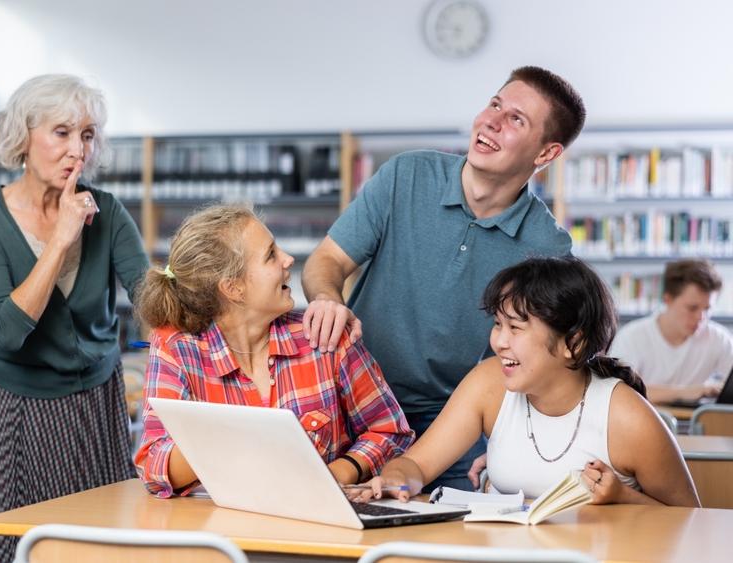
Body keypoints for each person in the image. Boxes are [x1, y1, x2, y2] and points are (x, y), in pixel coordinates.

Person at [301, 66, 581, 490]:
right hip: (352, 398)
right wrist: (327, 298)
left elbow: (553, 362)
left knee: (443, 547)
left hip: (454, 424)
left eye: (516, 120)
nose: (491, 121)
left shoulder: (550, 250)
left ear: (545, 154)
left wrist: (518, 436)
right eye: (494, 104)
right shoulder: (406, 176)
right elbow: (326, 261)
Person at [0, 74, 149, 561]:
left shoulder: (107, 210)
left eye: (86, 135)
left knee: (102, 544)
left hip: (97, 407)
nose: (77, 150)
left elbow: (152, 300)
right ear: (23, 138)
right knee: (13, 548)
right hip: (21, 410)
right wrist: (61, 237)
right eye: (61, 132)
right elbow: (3, 333)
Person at [351, 256, 699, 507]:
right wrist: (396, 479)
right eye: (498, 324)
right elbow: (416, 465)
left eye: (515, 328)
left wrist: (624, 498)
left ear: (572, 343)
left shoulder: (626, 417)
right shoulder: (489, 384)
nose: (499, 341)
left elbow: (691, 521)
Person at [133, 203, 413, 498]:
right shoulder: (176, 349)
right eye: (270, 255)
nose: (288, 259)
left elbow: (390, 430)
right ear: (232, 288)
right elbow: (153, 466)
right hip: (226, 530)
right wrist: (232, 435)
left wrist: (335, 475)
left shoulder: (325, 338)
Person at [610, 259, 733, 404]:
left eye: (707, 309)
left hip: (697, 424)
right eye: (692, 308)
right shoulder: (632, 337)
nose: (701, 318)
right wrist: (692, 392)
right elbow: (620, 391)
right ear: (668, 300)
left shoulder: (718, 338)